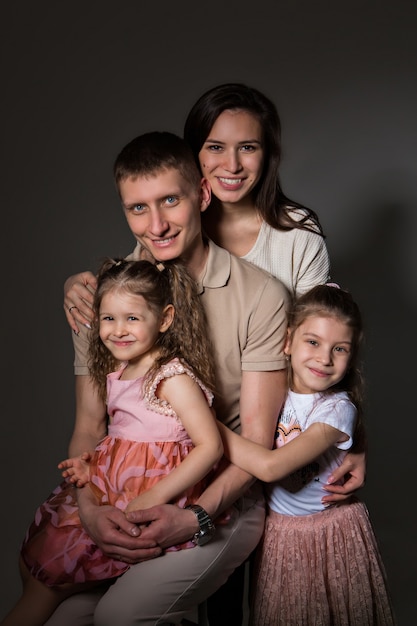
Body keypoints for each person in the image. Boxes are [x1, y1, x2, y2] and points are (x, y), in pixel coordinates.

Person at [44, 130, 291, 625]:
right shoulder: (102, 302)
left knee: (120, 616)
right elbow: (90, 427)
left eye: (170, 201)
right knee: (64, 617)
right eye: (137, 208)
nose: (156, 225)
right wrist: (91, 510)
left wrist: (193, 517)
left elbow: (259, 442)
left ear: (201, 194)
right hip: (119, 493)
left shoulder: (261, 295)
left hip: (221, 499)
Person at [1, 258, 224, 626]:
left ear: (165, 319)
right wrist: (90, 464)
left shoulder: (171, 377)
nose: (118, 330)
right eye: (108, 318)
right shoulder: (120, 370)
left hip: (151, 494)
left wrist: (152, 498)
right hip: (112, 490)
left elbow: (210, 446)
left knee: (48, 584)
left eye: (132, 318)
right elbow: (120, 440)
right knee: (36, 565)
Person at [217, 283, 396, 625]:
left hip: (327, 535)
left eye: (339, 349)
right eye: (313, 342)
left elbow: (270, 468)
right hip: (279, 534)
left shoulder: (337, 410)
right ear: (287, 342)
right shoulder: (273, 390)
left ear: (352, 356)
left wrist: (207, 428)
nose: (324, 358)